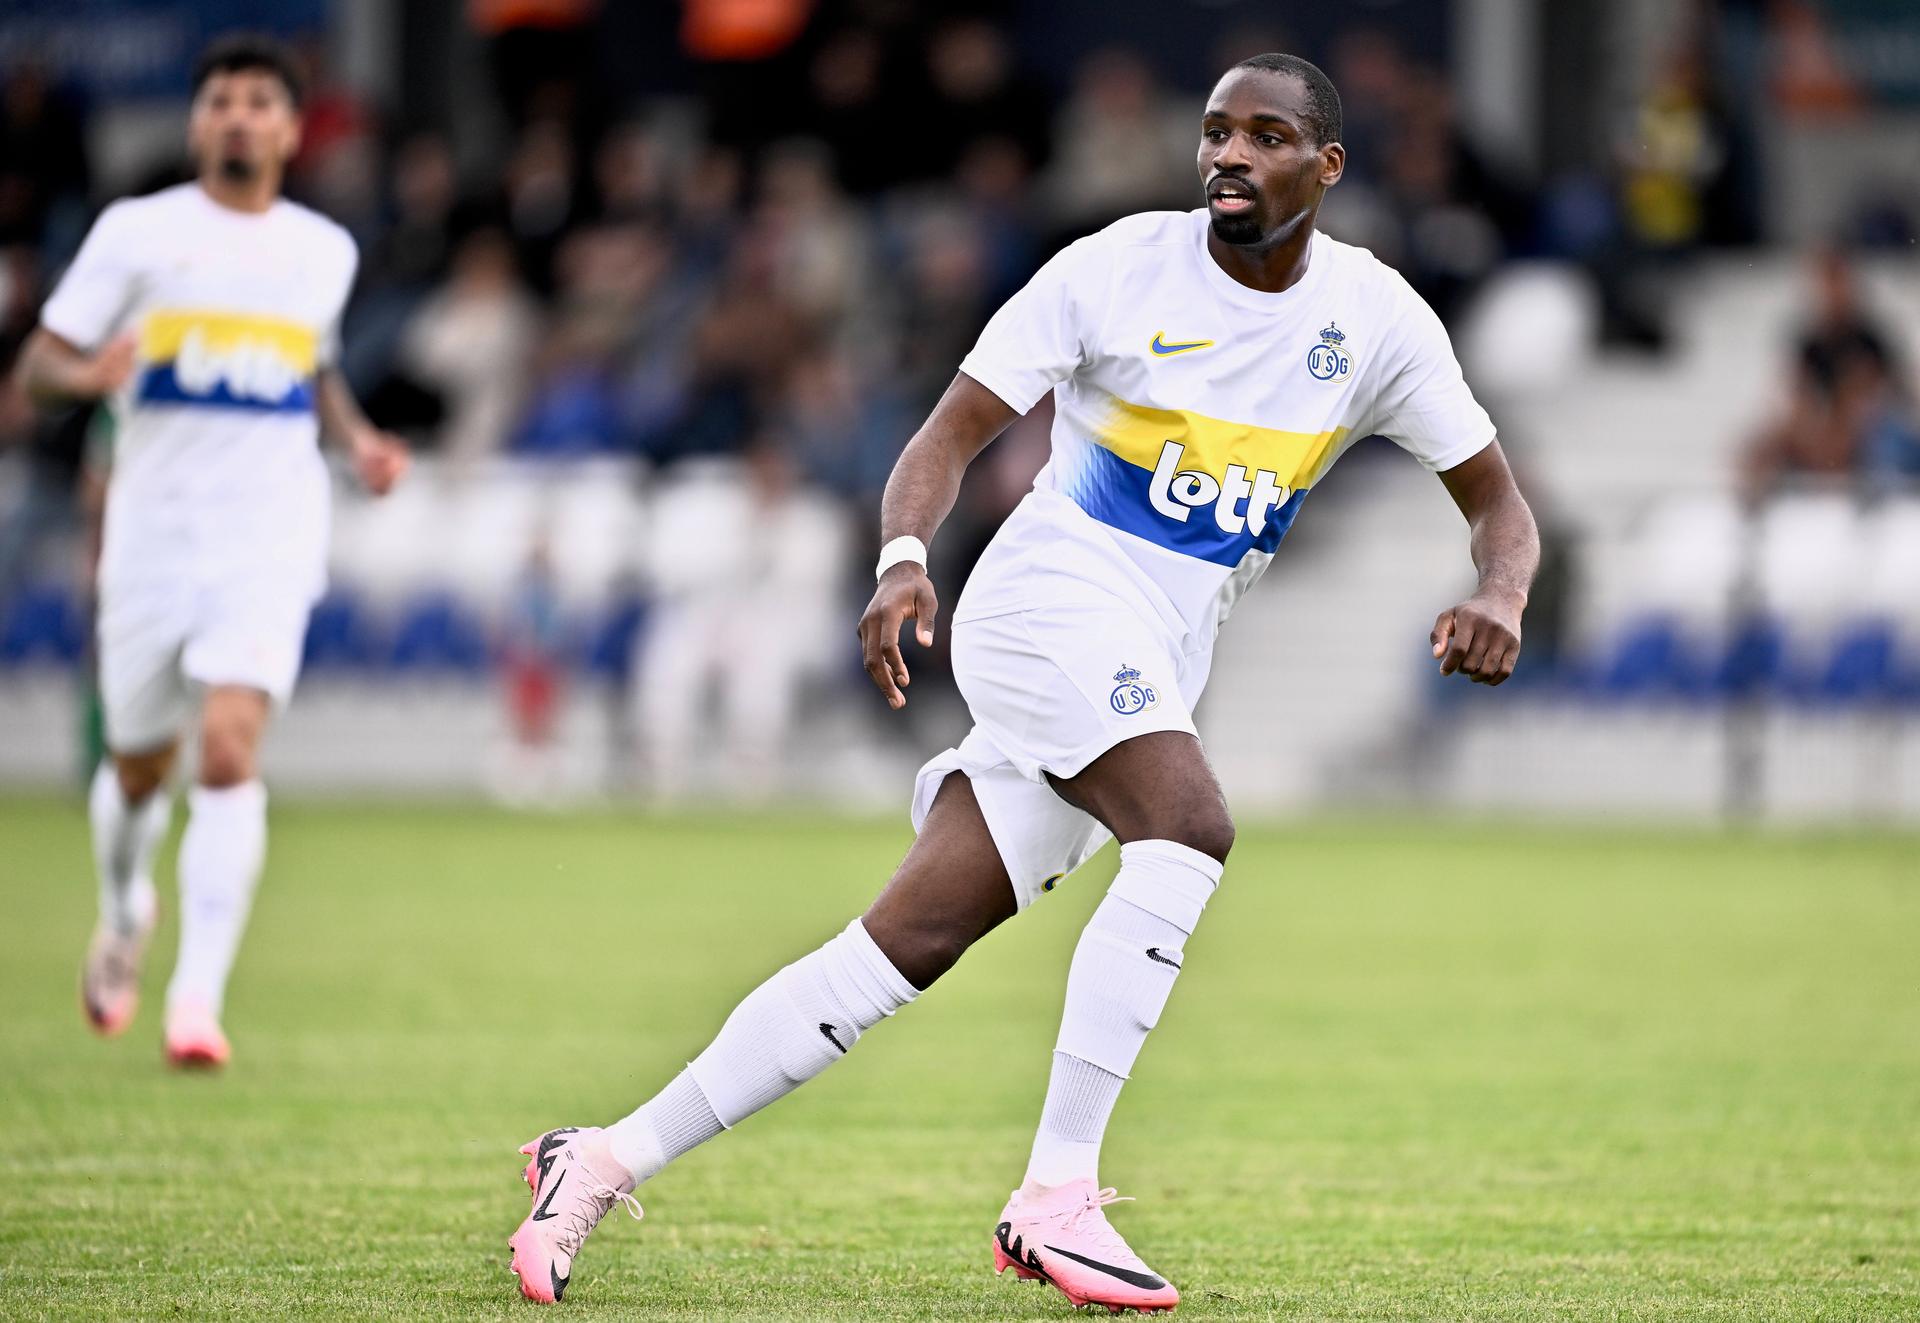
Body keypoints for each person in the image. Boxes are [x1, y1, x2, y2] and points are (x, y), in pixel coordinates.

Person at [505, 53, 1538, 1312]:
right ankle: (1055, 1196)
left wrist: (1500, 594)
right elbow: (945, 436)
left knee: (897, 950)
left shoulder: (1375, 320)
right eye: (1215, 132)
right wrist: (900, 561)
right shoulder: (1113, 269)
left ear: (1325, 168)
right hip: (1042, 605)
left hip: (1152, 654)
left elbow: (1500, 506)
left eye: (1266, 137)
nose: (1227, 155)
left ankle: (601, 1159)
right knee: (1191, 828)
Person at [12, 35, 408, 1068]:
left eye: (258, 102)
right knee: (139, 768)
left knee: (229, 747)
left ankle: (197, 999)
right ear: (198, 124)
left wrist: (358, 440)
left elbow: (311, 366)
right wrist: (87, 374)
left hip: (268, 531)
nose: (238, 117)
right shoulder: (136, 234)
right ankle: (124, 907)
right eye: (222, 101)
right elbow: (38, 366)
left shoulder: (322, 249)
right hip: (154, 532)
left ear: (288, 127)